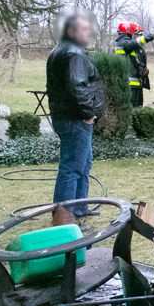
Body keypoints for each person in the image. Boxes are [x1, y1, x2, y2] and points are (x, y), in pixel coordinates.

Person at [46, 13, 105, 217]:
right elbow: (76, 86)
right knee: (72, 168)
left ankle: (79, 208)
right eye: (83, 29)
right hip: (75, 119)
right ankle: (64, 215)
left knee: (82, 164)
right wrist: (88, 114)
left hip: (68, 118)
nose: (87, 33)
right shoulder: (73, 53)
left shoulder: (62, 50)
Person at [115, 22, 154, 107]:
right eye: (134, 33)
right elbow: (132, 43)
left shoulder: (129, 46)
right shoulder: (123, 44)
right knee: (133, 111)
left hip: (135, 86)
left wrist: (142, 72)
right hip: (129, 87)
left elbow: (134, 63)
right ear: (128, 33)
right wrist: (146, 38)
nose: (135, 36)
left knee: (138, 109)